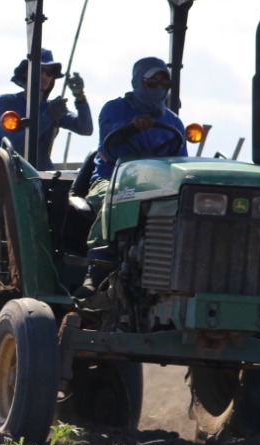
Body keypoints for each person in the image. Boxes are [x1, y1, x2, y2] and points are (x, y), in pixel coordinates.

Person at [78, 56, 188, 296]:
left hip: (156, 186)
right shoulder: (115, 109)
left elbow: (181, 163)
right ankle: (96, 269)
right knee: (113, 199)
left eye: (164, 83)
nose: (159, 88)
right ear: (139, 82)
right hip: (114, 178)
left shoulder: (174, 122)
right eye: (152, 82)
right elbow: (109, 146)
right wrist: (131, 127)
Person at [0, 48, 92, 171]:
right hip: (12, 176)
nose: (44, 76)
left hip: (43, 176)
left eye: (49, 73)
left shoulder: (54, 109)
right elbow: (15, 147)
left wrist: (80, 97)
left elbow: (86, 129)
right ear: (25, 73)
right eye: (39, 70)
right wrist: (47, 117)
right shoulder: (6, 103)